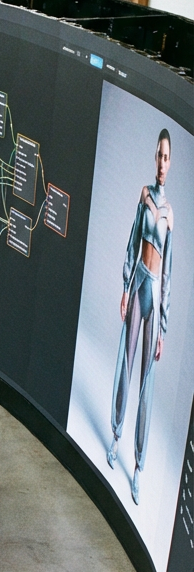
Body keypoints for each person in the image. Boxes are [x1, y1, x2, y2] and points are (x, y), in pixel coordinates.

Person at [107, 129, 173, 505]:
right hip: (137, 287)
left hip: (154, 295)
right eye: (159, 157)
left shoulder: (171, 214)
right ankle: (115, 437)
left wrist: (162, 327)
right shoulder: (144, 196)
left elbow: (169, 275)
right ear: (154, 158)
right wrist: (123, 288)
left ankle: (138, 467)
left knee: (147, 380)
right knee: (125, 365)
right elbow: (133, 243)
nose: (162, 164)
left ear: (172, 163)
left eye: (167, 158)